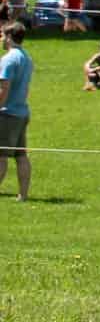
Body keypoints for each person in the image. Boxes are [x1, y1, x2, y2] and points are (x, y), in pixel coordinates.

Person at [0, 22, 32, 202]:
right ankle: (23, 195)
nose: (2, 39)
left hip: (8, 114)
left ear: (10, 37)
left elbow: (3, 89)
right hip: (22, 112)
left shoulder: (9, 59)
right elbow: (25, 88)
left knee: (1, 156)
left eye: (3, 35)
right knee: (21, 156)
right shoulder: (27, 58)